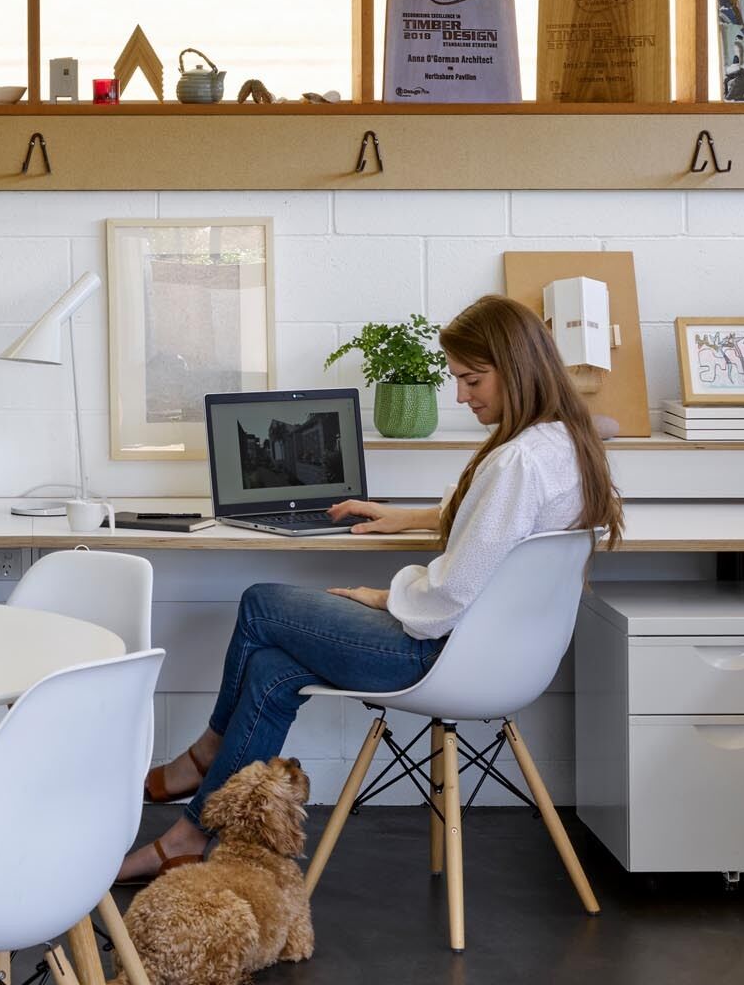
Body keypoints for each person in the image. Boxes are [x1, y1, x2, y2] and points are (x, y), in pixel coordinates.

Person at [117, 293, 623, 882]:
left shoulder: (516, 464)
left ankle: (203, 759)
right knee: (272, 672)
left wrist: (384, 596)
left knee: (260, 604)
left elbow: (445, 598)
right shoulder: (568, 443)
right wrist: (405, 517)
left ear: (518, 368)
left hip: (437, 652)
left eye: (471, 378)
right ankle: (193, 834)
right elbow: (501, 525)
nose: (462, 394)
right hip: (503, 659)